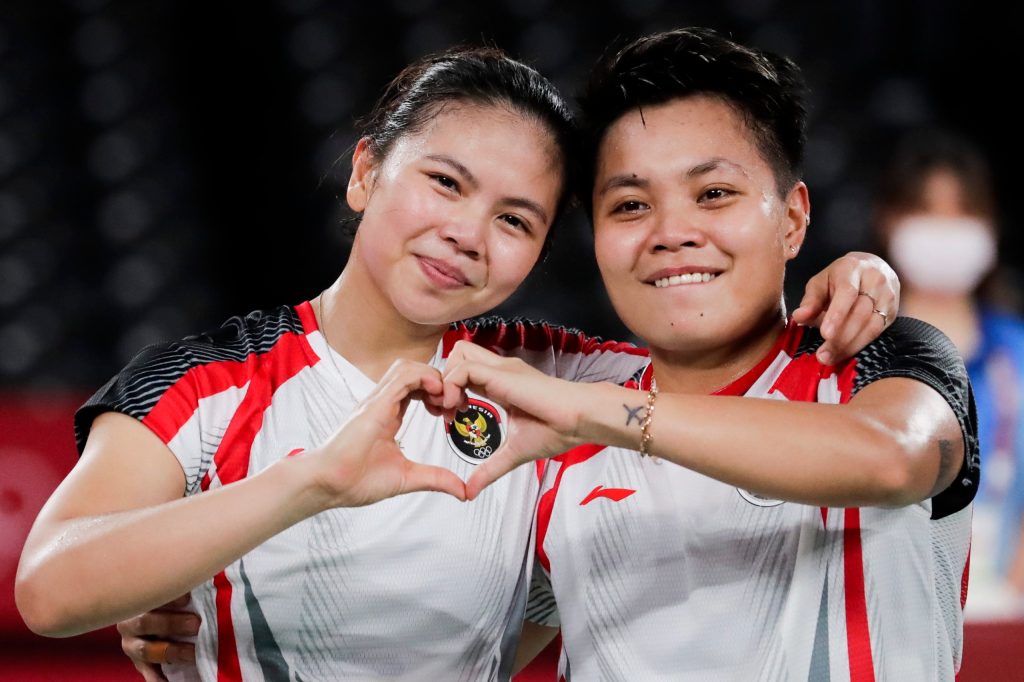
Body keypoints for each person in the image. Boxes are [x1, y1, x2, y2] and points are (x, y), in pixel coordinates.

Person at [17, 46, 896, 682]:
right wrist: (313, 483)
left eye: (516, 220)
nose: (467, 236)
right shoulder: (211, 378)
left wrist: (865, 274)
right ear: (365, 172)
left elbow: (739, 367)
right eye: (444, 182)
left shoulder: (559, 381)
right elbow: (51, 588)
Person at [441, 28, 979, 680]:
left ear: (793, 218)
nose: (672, 233)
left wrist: (601, 414)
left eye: (714, 194)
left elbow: (894, 457)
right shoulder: (564, 441)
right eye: (631, 205)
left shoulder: (883, 358)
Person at [874, 131, 1024, 619]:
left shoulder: (1018, 354)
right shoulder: (853, 353)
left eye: (962, 213)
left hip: (1002, 615)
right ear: (890, 222)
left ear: (990, 226)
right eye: (926, 211)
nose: (945, 231)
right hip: (883, 614)